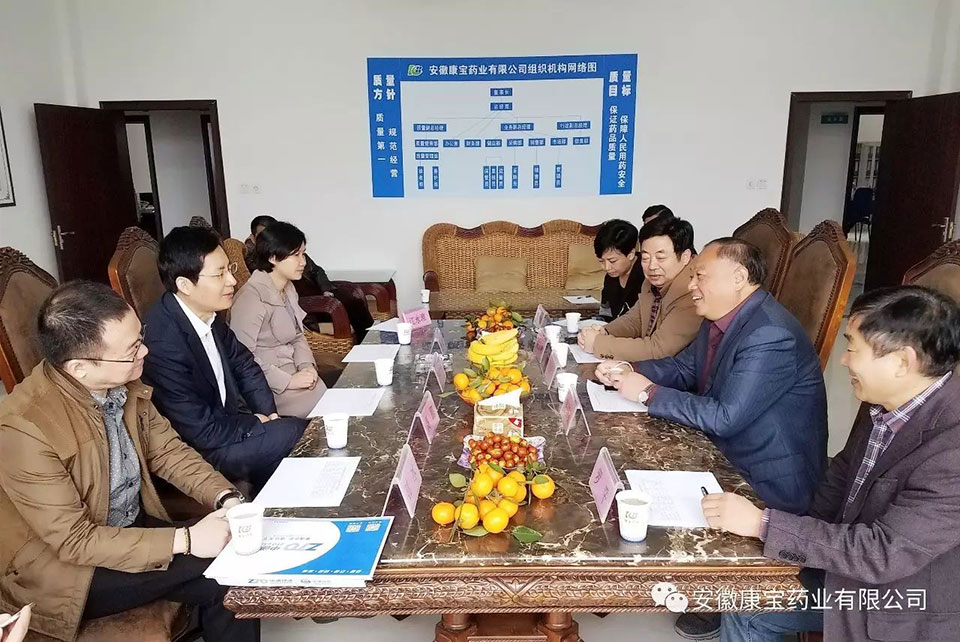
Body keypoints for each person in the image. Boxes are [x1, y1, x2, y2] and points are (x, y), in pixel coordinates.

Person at [0, 281, 258, 642]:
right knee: (229, 571)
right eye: (131, 350)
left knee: (236, 568)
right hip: (66, 573)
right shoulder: (24, 427)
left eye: (140, 337)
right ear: (79, 367)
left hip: (127, 531)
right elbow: (75, 541)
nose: (145, 351)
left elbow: (169, 452)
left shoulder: (122, 383)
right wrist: (186, 540)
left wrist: (225, 498)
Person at [596, 238, 827, 640]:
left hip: (766, 476)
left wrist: (648, 393)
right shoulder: (721, 318)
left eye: (700, 276)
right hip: (728, 451)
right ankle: (689, 590)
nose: (691, 285)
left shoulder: (770, 334)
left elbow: (726, 416)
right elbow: (684, 369)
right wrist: (627, 370)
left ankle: (710, 591)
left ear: (739, 278)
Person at [705, 286, 960, 642]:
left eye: (853, 348)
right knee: (748, 575)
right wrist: (794, 541)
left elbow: (883, 553)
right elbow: (842, 473)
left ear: (902, 362)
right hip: (849, 559)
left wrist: (765, 525)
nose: (843, 360)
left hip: (898, 598)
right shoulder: (886, 399)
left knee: (750, 606)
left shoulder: (951, 450)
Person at [142, 226, 307, 492]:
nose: (232, 281)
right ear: (185, 285)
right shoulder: (162, 343)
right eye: (220, 274)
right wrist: (256, 424)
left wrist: (268, 414)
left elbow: (245, 365)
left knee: (284, 442)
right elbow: (199, 429)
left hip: (227, 424)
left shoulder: (207, 313)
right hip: (198, 449)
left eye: (229, 269)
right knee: (301, 432)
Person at [230, 221, 326, 417]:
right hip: (266, 384)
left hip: (294, 370)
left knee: (325, 397)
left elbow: (298, 335)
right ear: (273, 257)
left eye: (303, 254)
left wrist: (306, 366)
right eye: (296, 255)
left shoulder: (288, 288)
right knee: (322, 404)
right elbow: (242, 359)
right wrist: (288, 381)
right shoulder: (250, 299)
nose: (303, 262)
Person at [579, 216, 700, 362]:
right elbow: (636, 319)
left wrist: (599, 344)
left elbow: (658, 349)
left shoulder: (694, 291)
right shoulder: (653, 281)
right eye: (645, 258)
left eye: (660, 258)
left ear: (685, 257)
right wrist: (605, 331)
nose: (652, 266)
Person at [245, 215, 373, 340]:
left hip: (318, 293)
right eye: (262, 236)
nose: (302, 261)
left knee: (353, 300)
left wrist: (326, 289)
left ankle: (371, 343)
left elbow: (317, 270)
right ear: (253, 238)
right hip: (309, 306)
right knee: (344, 308)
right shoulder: (258, 268)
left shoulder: (292, 253)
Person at [595, 219, 644, 321]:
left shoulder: (646, 275)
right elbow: (605, 312)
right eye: (601, 261)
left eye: (612, 261)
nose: (606, 267)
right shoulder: (611, 277)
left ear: (630, 254)